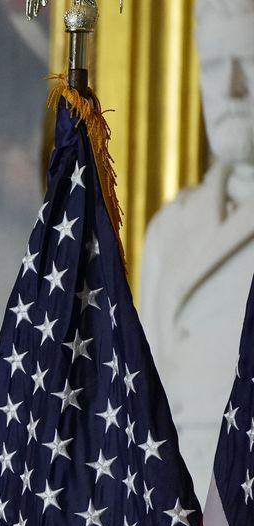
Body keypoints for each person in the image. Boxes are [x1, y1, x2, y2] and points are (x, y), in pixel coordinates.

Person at [140, 0, 254, 481]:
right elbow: (148, 398)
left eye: (248, 63)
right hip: (184, 505)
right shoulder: (172, 229)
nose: (229, 90)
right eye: (212, 67)